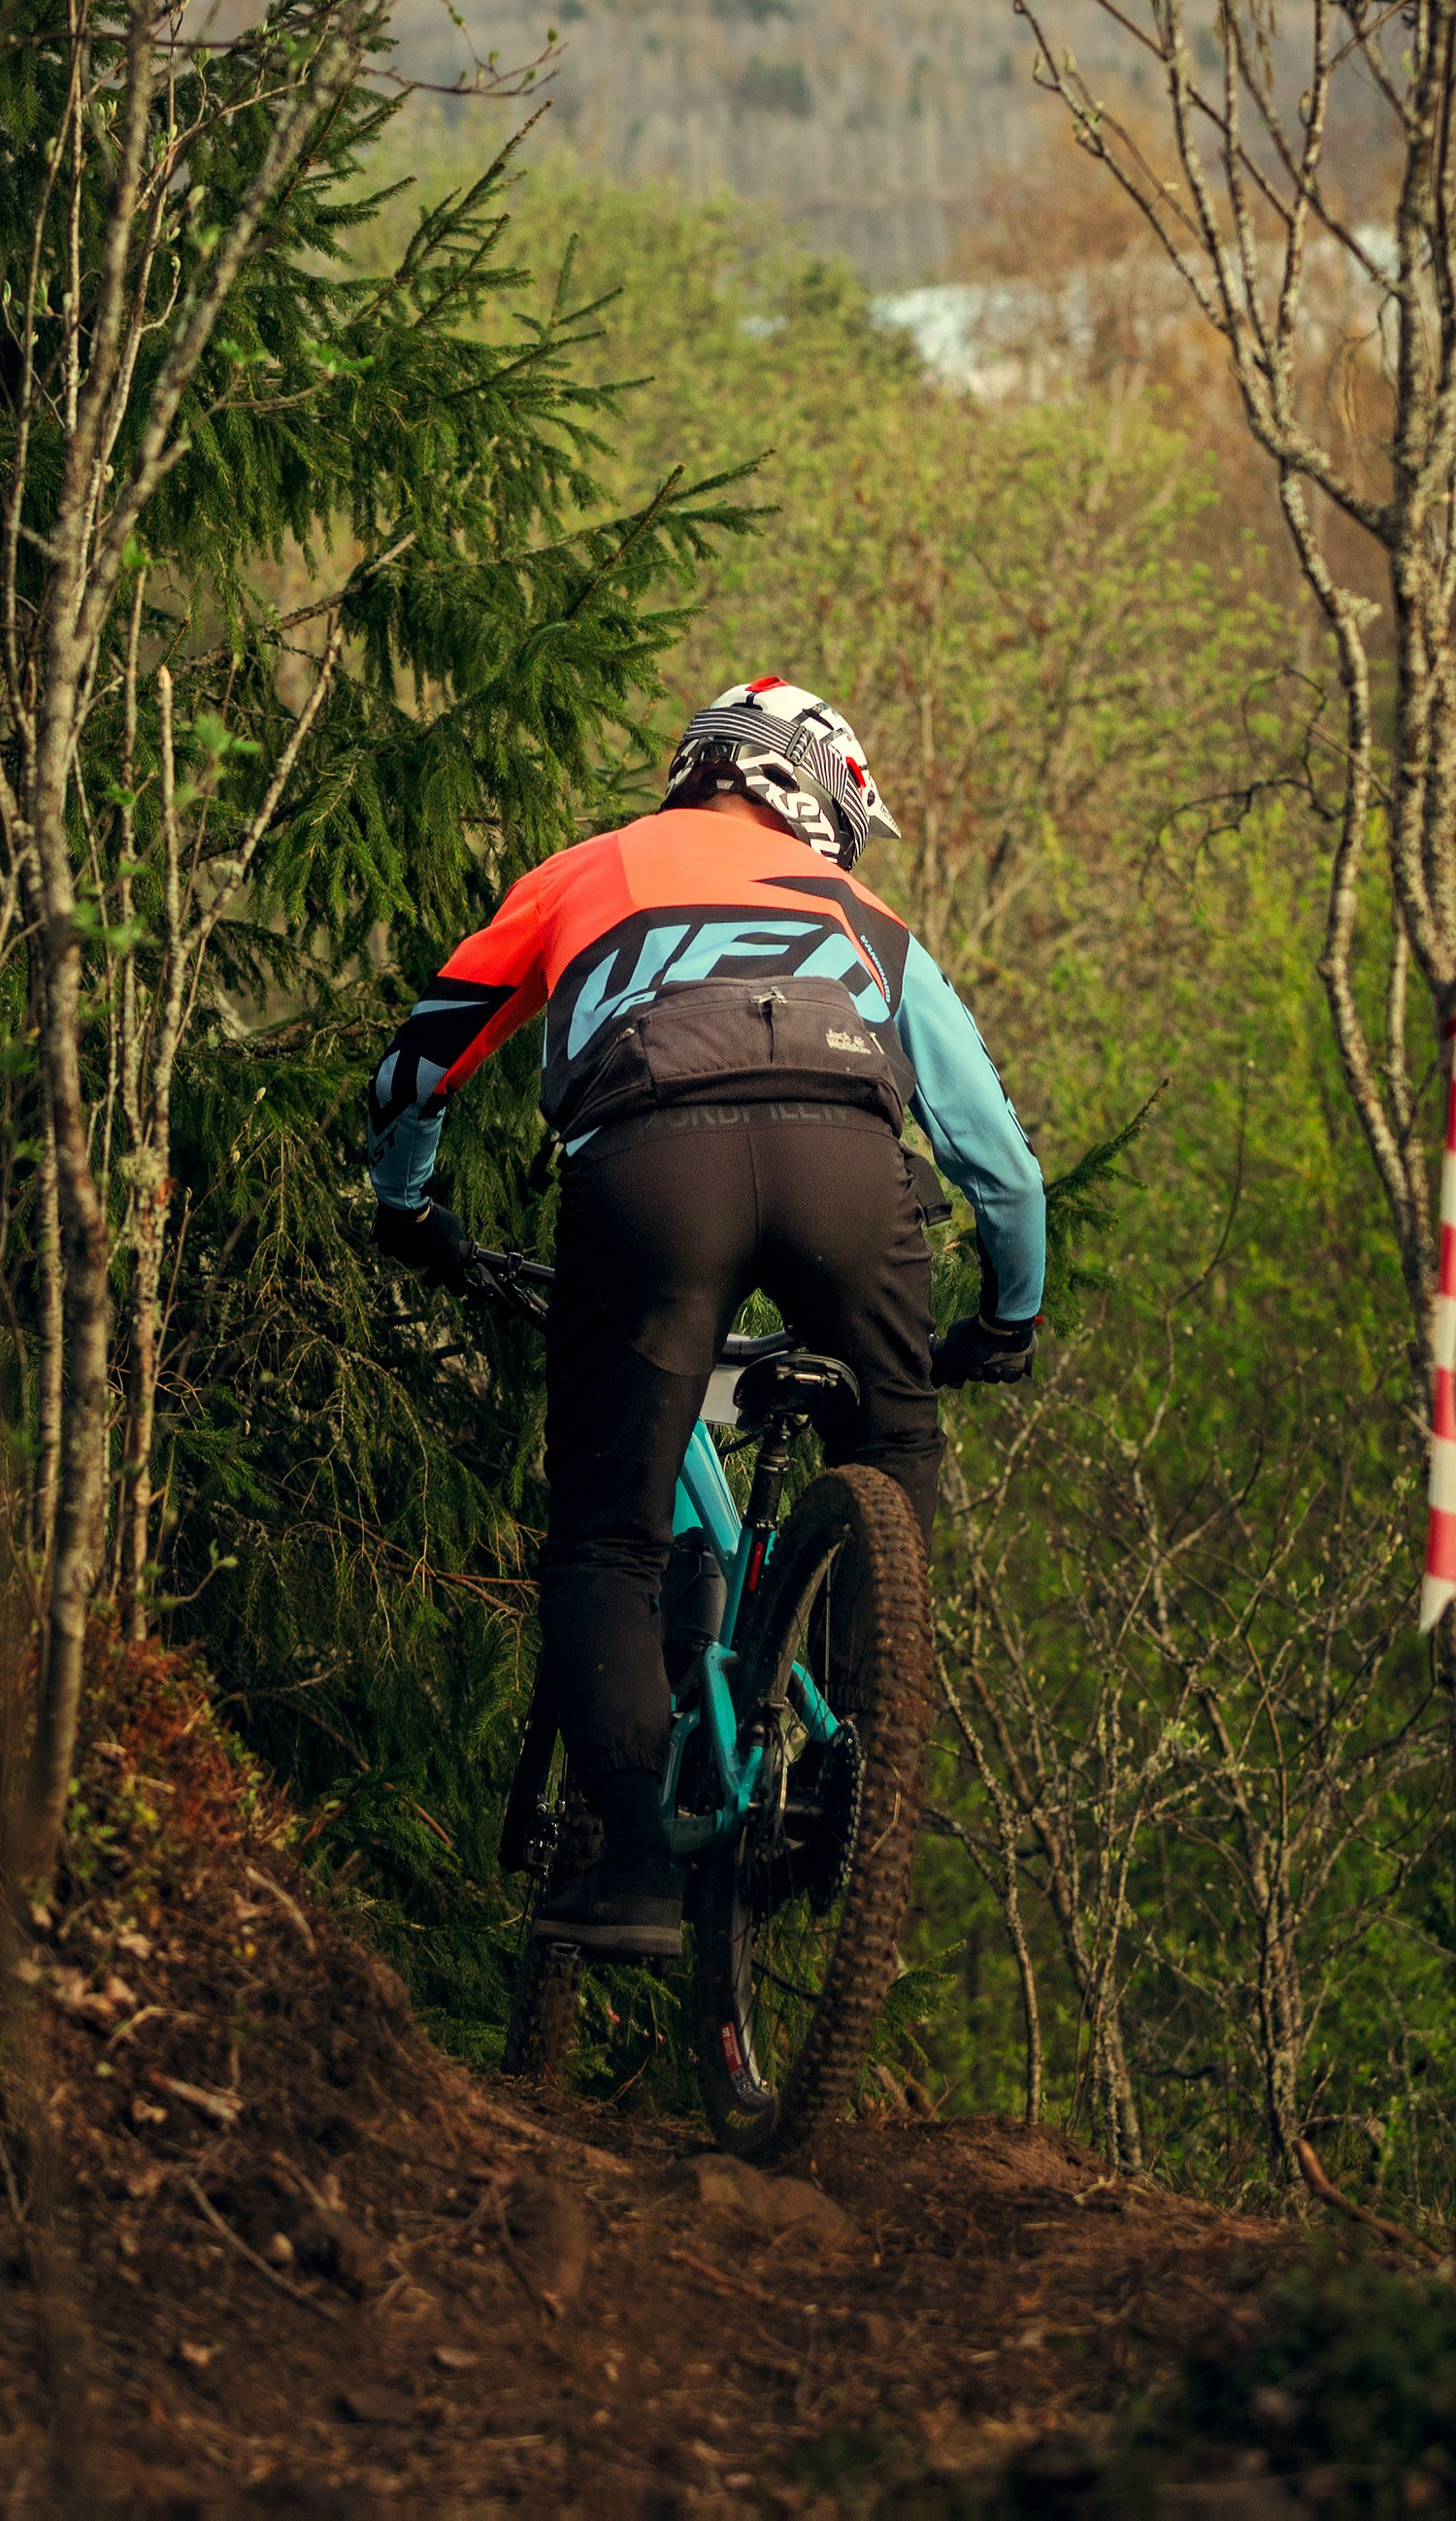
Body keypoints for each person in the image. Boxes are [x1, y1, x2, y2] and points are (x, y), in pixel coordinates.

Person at [366, 677, 1045, 1957]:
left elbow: (415, 1066)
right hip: (849, 1175)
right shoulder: (868, 921)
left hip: (648, 1171)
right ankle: (850, 1768)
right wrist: (1010, 1320)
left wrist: (408, 1210)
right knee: (893, 1459)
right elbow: (1001, 1166)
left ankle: (629, 1868)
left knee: (608, 1537)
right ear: (818, 799)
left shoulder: (587, 873)